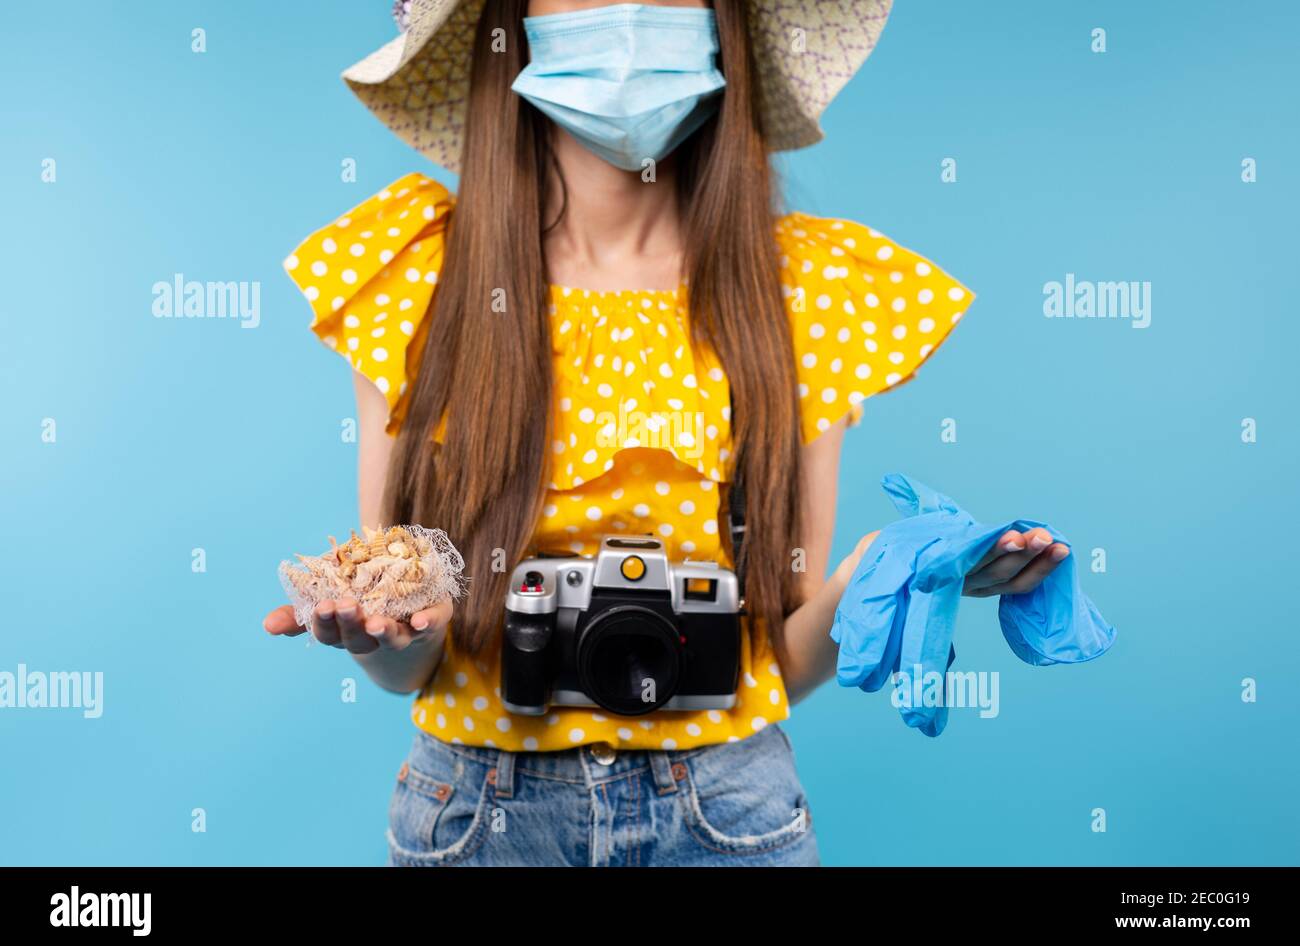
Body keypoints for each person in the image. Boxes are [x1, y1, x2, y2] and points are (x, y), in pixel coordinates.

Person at [263, 0, 1070, 866]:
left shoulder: (806, 293)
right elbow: (407, 659)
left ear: (725, 24)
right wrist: (399, 639)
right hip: (477, 814)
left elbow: (778, 663)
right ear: (513, 25)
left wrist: (885, 573)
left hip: (728, 808)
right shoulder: (418, 274)